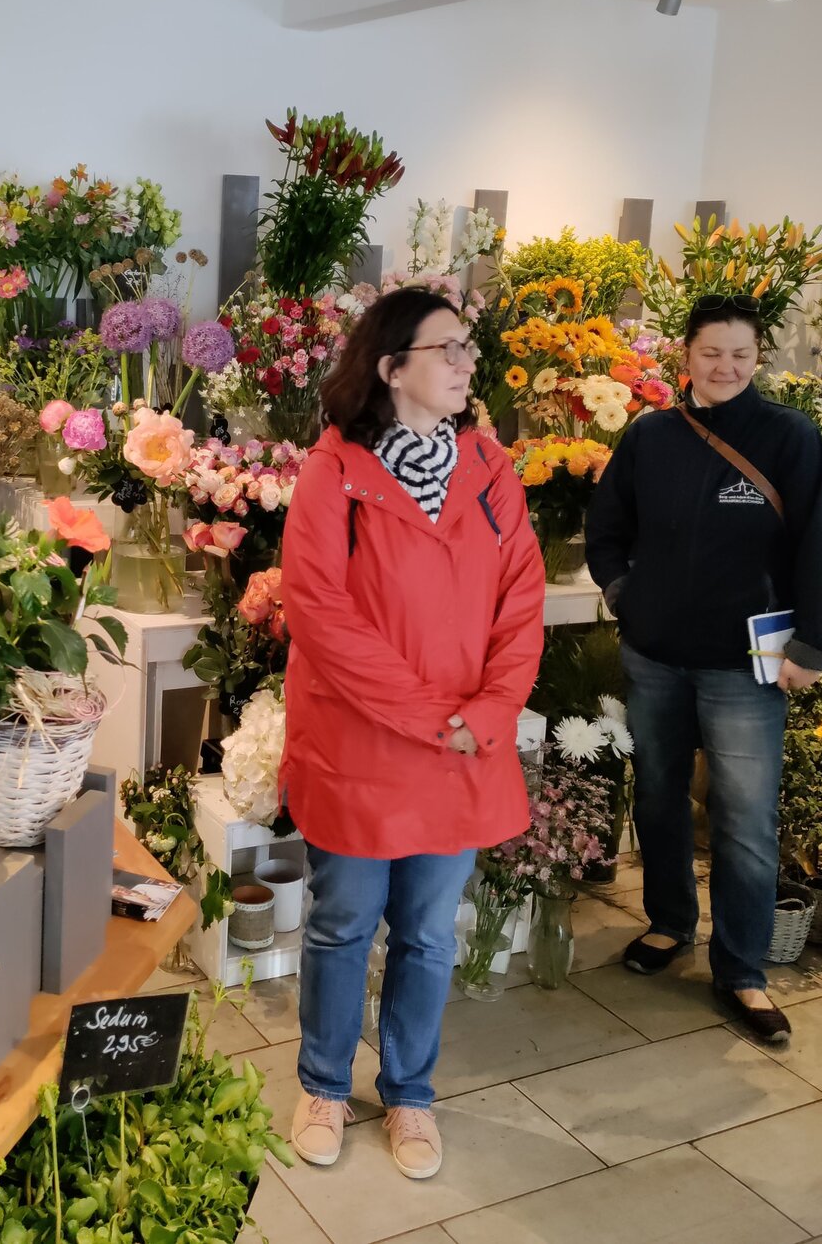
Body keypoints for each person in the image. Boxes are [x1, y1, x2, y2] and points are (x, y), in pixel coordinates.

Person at [281, 289, 545, 1180]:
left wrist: (490, 712)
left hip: (462, 747)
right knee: (344, 922)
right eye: (449, 349)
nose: (469, 363)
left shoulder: (492, 472)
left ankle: (409, 1094)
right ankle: (322, 1082)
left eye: (469, 348)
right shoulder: (334, 474)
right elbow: (322, 618)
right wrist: (436, 718)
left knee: (430, 932)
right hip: (362, 747)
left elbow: (522, 604)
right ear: (393, 368)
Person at [584, 293, 822, 1044]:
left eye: (739, 354)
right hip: (655, 655)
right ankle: (670, 923)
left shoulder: (789, 437)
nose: (725, 367)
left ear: (758, 358)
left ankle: (742, 970)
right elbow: (607, 528)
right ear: (686, 358)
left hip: (744, 666)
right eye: (710, 353)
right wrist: (623, 592)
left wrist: (812, 643)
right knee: (659, 798)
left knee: (744, 821)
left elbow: (821, 544)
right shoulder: (651, 437)